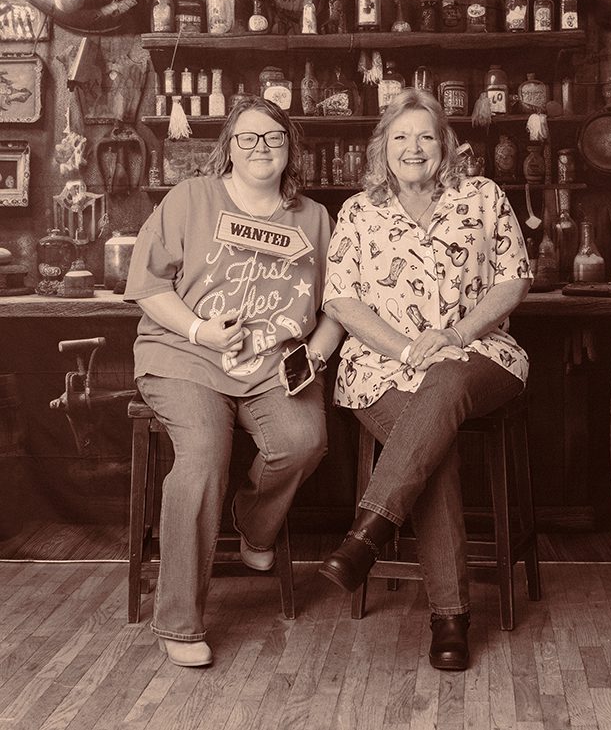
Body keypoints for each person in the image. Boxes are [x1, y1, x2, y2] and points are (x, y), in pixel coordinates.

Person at [124, 95, 343, 668]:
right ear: (228, 147)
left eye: (273, 136)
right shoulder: (190, 198)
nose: (261, 147)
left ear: (290, 147)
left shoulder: (315, 218)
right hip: (185, 356)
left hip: (274, 363)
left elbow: (339, 306)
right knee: (202, 455)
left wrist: (313, 359)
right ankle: (179, 622)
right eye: (248, 137)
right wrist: (200, 330)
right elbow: (148, 287)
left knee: (303, 441)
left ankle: (253, 524)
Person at [319, 88, 532, 671]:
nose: (413, 148)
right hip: (380, 368)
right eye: (400, 137)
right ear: (381, 148)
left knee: (444, 384)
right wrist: (410, 348)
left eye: (426, 135)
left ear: (447, 144)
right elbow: (341, 299)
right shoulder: (360, 212)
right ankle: (450, 617)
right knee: (432, 444)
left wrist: (456, 336)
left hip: (480, 354)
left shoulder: (483, 197)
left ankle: (365, 536)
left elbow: (513, 282)